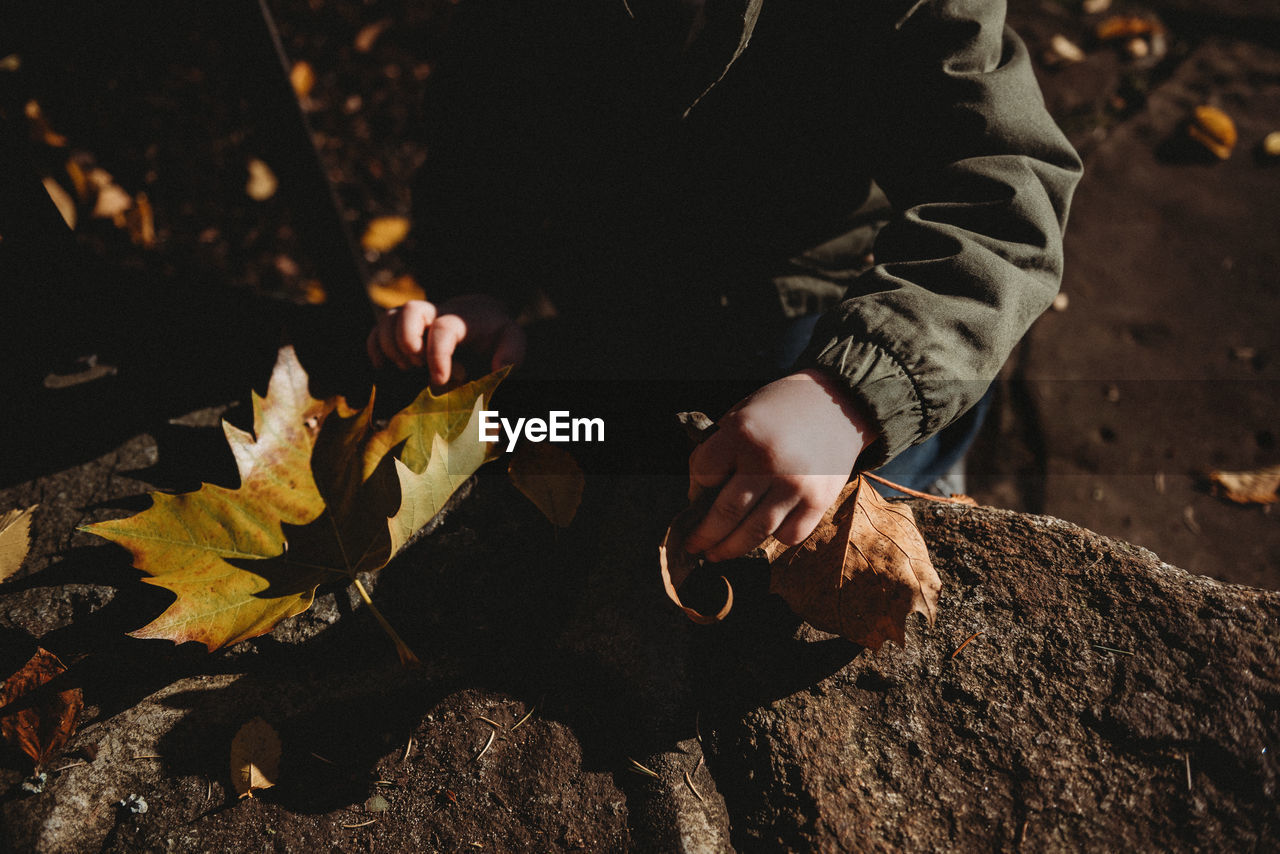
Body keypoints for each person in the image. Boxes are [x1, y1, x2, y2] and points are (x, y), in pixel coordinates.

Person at [367, 0, 1082, 562]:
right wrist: (478, 282)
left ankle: (923, 470)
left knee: (816, 476)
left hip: (805, 300)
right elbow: (487, 121)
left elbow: (1005, 189)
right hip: (613, 285)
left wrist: (856, 390)